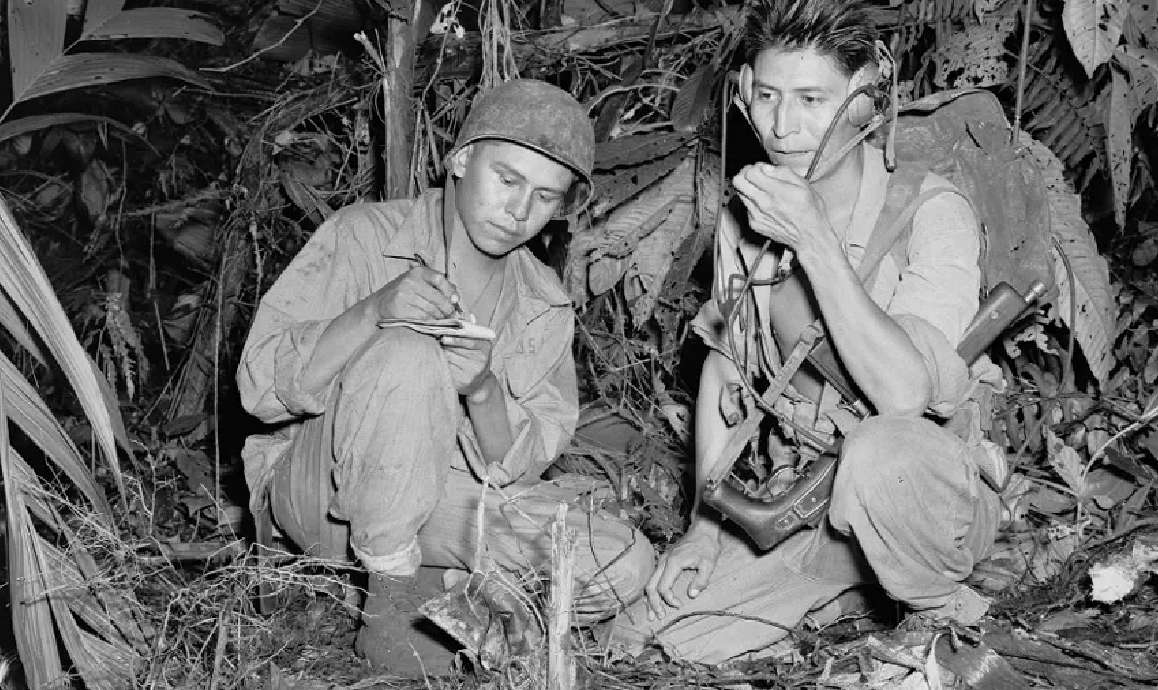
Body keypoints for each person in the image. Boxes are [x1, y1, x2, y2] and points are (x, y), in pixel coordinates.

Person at [610, 0, 1005, 663]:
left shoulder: (930, 213)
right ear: (744, 94)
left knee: (882, 453)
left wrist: (816, 240)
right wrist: (707, 530)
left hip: (925, 497)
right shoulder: (748, 219)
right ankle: (855, 592)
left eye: (811, 99)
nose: (783, 126)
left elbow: (905, 396)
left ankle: (949, 622)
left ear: (864, 99)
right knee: (662, 639)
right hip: (809, 499)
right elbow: (724, 370)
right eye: (766, 97)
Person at [237, 79, 654, 676]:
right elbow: (259, 390)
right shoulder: (363, 237)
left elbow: (523, 464)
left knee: (620, 562)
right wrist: (374, 312)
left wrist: (482, 390)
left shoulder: (542, 302)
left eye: (544, 197)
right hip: (322, 493)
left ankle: (448, 588)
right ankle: (391, 608)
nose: (518, 211)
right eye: (507, 180)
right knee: (406, 353)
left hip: (441, 504)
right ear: (461, 159)